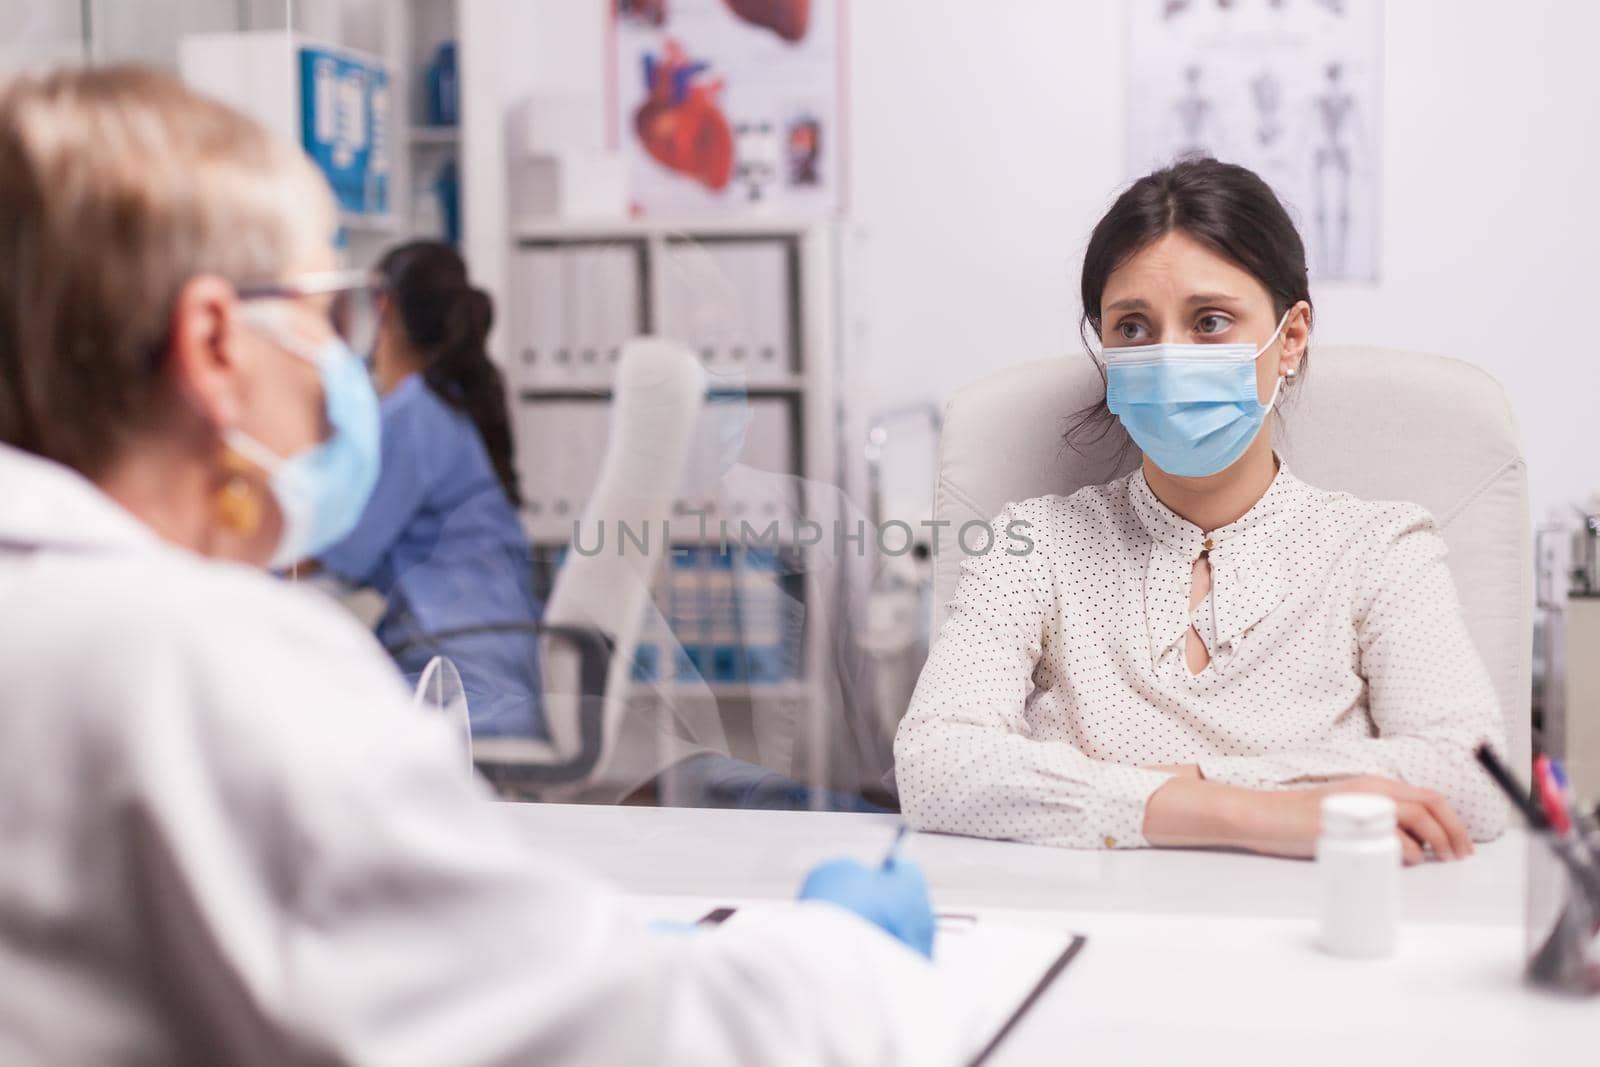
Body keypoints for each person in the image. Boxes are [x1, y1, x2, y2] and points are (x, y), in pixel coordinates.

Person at [0, 66, 961, 1065]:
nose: (345, 370)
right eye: (325, 316)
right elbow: (659, 1044)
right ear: (211, 342)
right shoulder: (213, 674)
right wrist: (851, 957)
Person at [895, 157, 1508, 863]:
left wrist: (1123, 794)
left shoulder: (1381, 547)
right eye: (1132, 327)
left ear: (1292, 338)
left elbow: (1469, 778)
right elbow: (934, 764)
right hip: (1086, 930)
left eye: (1210, 321)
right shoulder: (1032, 543)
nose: (1168, 357)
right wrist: (1255, 812)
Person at [318, 240, 544, 739]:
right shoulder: (448, 402)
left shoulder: (415, 413)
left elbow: (343, 552)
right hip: (487, 670)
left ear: (383, 308)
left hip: (460, 682)